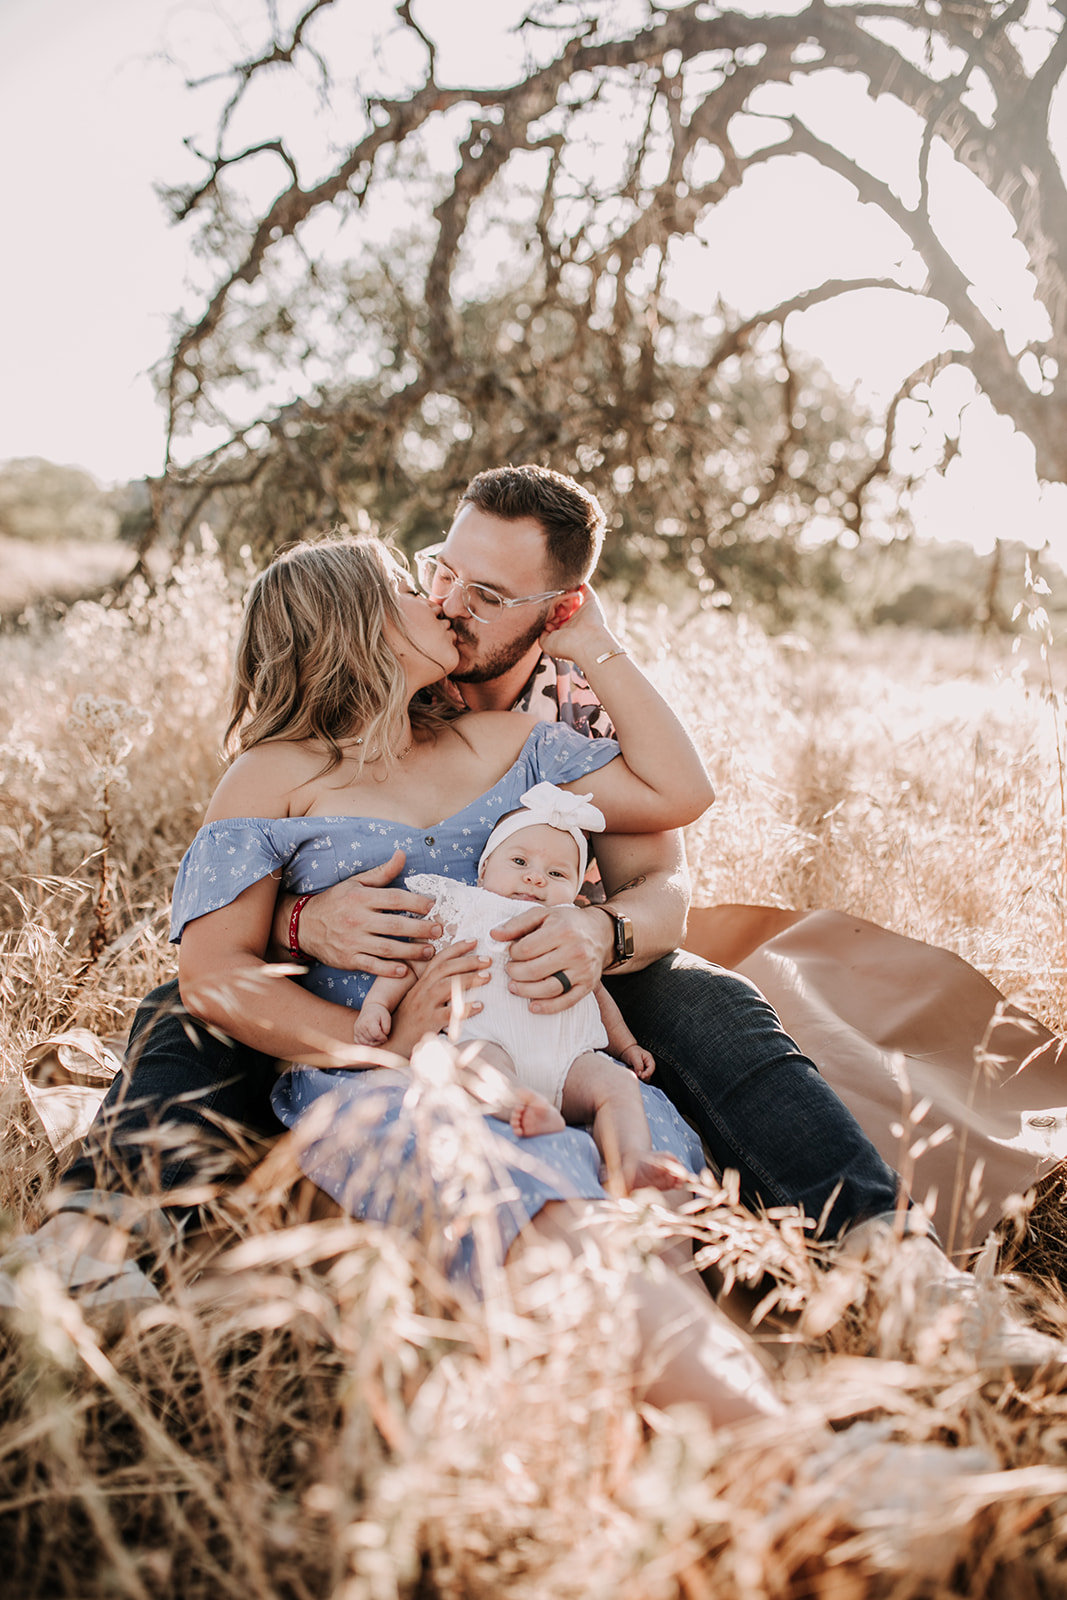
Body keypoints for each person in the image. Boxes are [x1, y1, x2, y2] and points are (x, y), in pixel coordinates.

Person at [7, 466, 1064, 1378]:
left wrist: (596, 940)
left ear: (553, 610)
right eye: (437, 573)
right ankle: (92, 1234)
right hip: (379, 1003)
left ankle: (892, 1265)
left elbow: (665, 881)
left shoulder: (565, 710)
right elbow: (243, 896)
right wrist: (304, 926)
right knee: (178, 1008)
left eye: (486, 594)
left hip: (553, 979)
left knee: (704, 993)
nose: (449, 601)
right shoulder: (330, 734)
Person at [165, 529, 779, 1424]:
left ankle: (724, 1450)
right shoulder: (268, 777)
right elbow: (213, 977)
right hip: (388, 1085)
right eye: (410, 590)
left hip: (558, 1059)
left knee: (641, 1199)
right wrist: (376, 1041)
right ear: (356, 626)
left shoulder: (507, 739)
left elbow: (678, 790)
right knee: (541, 1211)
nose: (441, 600)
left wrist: (594, 644)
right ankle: (789, 1452)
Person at [355, 780, 686, 1194]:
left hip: (572, 1062)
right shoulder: (466, 911)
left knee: (618, 1085)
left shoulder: (570, 927)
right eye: (519, 861)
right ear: (484, 869)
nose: (535, 880)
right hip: (489, 1041)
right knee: (466, 1063)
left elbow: (598, 994)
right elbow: (410, 962)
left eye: (556, 873)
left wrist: (625, 1046)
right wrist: (376, 1007)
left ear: (577, 890)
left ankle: (631, 1160)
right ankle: (520, 1105)